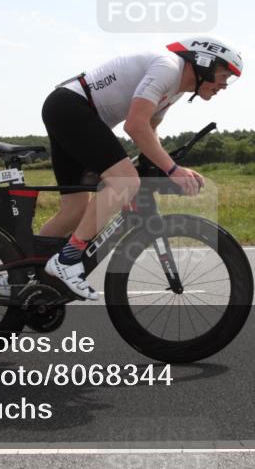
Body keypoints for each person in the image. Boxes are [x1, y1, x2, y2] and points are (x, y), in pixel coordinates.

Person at [38, 36, 244, 300]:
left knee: (74, 210)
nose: (224, 85)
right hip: (71, 107)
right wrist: (173, 171)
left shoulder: (177, 88)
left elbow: (150, 130)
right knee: (124, 182)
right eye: (223, 75)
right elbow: (134, 125)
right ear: (203, 63)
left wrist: (170, 166)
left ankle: (20, 274)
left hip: (70, 110)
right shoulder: (168, 69)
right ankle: (67, 260)